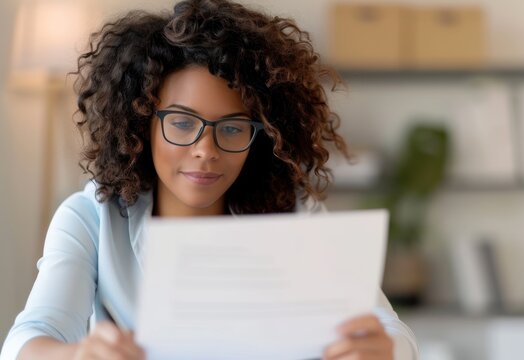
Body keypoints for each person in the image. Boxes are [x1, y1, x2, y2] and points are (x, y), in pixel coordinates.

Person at [0, 0, 419, 359]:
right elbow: (25, 341)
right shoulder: (92, 217)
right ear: (142, 122)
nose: (206, 149)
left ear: (261, 136)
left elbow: (393, 333)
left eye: (233, 128)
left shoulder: (294, 215)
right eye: (182, 123)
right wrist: (75, 354)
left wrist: (381, 349)